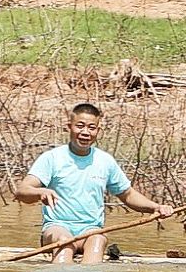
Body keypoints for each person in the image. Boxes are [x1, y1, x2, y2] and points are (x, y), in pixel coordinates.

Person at [14, 103, 171, 263]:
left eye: (91, 128)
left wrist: (156, 207)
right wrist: (40, 192)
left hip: (90, 230)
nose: (85, 133)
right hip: (57, 228)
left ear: (98, 131)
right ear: (70, 127)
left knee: (97, 239)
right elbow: (22, 191)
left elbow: (128, 195)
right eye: (80, 126)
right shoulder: (52, 158)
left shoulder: (105, 161)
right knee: (64, 242)